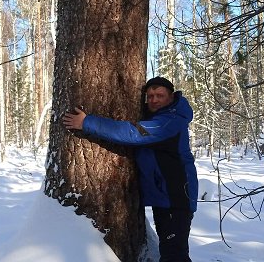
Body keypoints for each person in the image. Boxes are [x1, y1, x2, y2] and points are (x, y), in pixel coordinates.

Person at [63, 76, 198, 262]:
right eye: (150, 96)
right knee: (171, 251)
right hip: (165, 197)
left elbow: (133, 133)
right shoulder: (160, 117)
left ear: (172, 97)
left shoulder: (169, 121)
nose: (154, 100)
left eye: (160, 95)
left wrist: (87, 122)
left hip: (175, 198)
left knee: (174, 255)